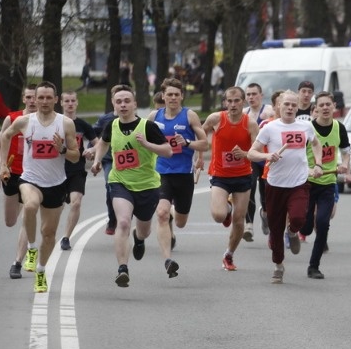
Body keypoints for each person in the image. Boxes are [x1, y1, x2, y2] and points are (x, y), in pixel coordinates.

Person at [0, 82, 80, 293]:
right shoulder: (25, 122)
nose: (43, 102)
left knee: (49, 234)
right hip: (29, 179)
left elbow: (75, 156)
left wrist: (61, 148)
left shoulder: (66, 124)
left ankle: (41, 272)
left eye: (47, 98)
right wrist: (4, 164)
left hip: (55, 183)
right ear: (34, 99)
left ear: (56, 99)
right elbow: (5, 137)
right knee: (31, 205)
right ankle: (31, 249)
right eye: (39, 98)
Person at [89, 84, 174, 287]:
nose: (123, 105)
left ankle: (138, 238)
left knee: (143, 230)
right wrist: (97, 160)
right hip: (120, 182)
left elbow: (167, 151)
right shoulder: (111, 125)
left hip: (147, 185)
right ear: (113, 105)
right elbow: (103, 142)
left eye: (127, 101)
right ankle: (122, 269)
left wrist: (147, 145)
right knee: (124, 222)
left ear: (135, 104)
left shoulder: (147, 127)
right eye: (119, 102)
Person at [248, 90, 323, 283]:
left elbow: (316, 144)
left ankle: (292, 231)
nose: (290, 108)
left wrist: (318, 164)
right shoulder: (269, 128)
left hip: (299, 182)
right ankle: (278, 265)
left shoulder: (306, 126)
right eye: (286, 104)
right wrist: (266, 156)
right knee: (275, 230)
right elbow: (251, 153)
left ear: (298, 107)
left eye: (293, 105)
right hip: (275, 184)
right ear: (278, 106)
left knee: (298, 217)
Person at [148, 78, 208, 268]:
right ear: (163, 96)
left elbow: (205, 144)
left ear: (181, 96)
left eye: (176, 94)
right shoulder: (153, 117)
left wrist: (188, 143)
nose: (173, 98)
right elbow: (142, 142)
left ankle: (175, 215)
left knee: (181, 222)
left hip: (183, 174)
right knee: (162, 213)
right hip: (161, 173)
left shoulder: (190, 116)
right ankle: (167, 259)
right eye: (169, 94)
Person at [201, 86, 260, 271]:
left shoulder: (250, 124)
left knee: (239, 220)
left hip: (243, 176)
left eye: (237, 101)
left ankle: (229, 254)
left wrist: (244, 153)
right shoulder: (216, 119)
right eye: (229, 101)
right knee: (219, 216)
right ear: (225, 102)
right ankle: (226, 208)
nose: (233, 104)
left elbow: (256, 152)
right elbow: (200, 136)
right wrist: (199, 157)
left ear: (243, 102)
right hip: (220, 174)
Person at [300, 91, 350, 279]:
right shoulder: (307, 129)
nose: (325, 108)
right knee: (304, 227)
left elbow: (345, 151)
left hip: (328, 184)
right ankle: (294, 230)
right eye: (321, 105)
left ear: (334, 107)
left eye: (328, 104)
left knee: (322, 223)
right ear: (315, 109)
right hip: (306, 183)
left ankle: (314, 266)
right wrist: (309, 169)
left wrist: (344, 164)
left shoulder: (340, 128)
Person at [0, 84, 38, 278]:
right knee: (10, 221)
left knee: (27, 215)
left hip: (34, 175)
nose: (32, 101)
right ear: (23, 99)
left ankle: (17, 262)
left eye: (35, 97)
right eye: (28, 97)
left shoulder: (45, 121)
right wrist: (2, 164)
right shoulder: (12, 119)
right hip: (12, 173)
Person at [58, 91, 98, 251]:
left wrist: (92, 151)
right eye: (66, 100)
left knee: (76, 203)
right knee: (55, 207)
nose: (69, 103)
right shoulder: (55, 123)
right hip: (56, 171)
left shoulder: (82, 125)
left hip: (76, 170)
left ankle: (66, 237)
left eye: (72, 100)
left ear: (77, 103)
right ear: (61, 103)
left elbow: (99, 143)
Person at [243, 83, 275, 241]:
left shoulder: (268, 111)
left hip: (265, 159)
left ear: (261, 95)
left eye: (254, 94)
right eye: (248, 94)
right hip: (250, 157)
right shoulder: (244, 113)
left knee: (265, 192)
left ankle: (265, 214)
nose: (251, 97)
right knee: (250, 186)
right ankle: (248, 224)